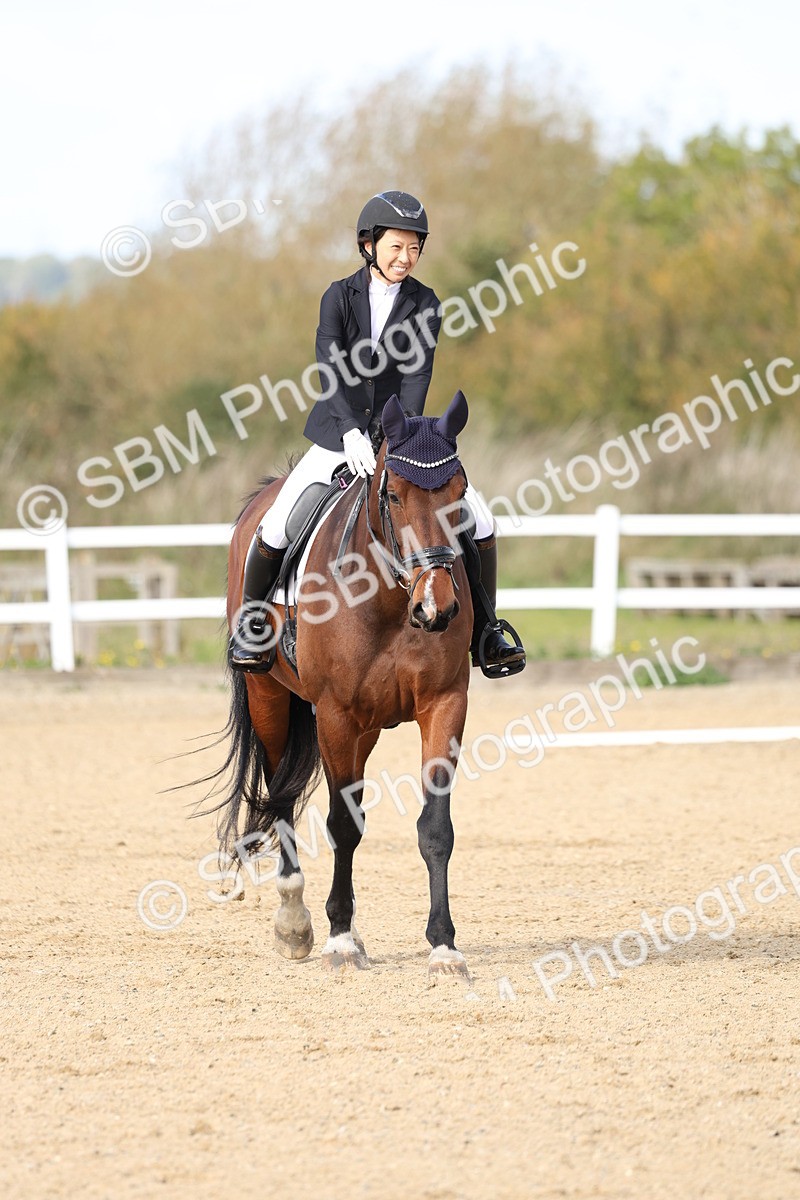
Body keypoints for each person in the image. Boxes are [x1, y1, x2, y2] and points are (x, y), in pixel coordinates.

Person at [229, 189, 526, 677]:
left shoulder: (425, 303)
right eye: (396, 247)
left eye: (414, 248)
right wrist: (349, 433)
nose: (406, 258)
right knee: (279, 521)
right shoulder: (337, 298)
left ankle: (487, 632)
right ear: (369, 244)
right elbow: (330, 367)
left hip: (402, 440)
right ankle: (254, 625)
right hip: (335, 435)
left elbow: (417, 376)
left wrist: (397, 440)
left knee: (484, 520)